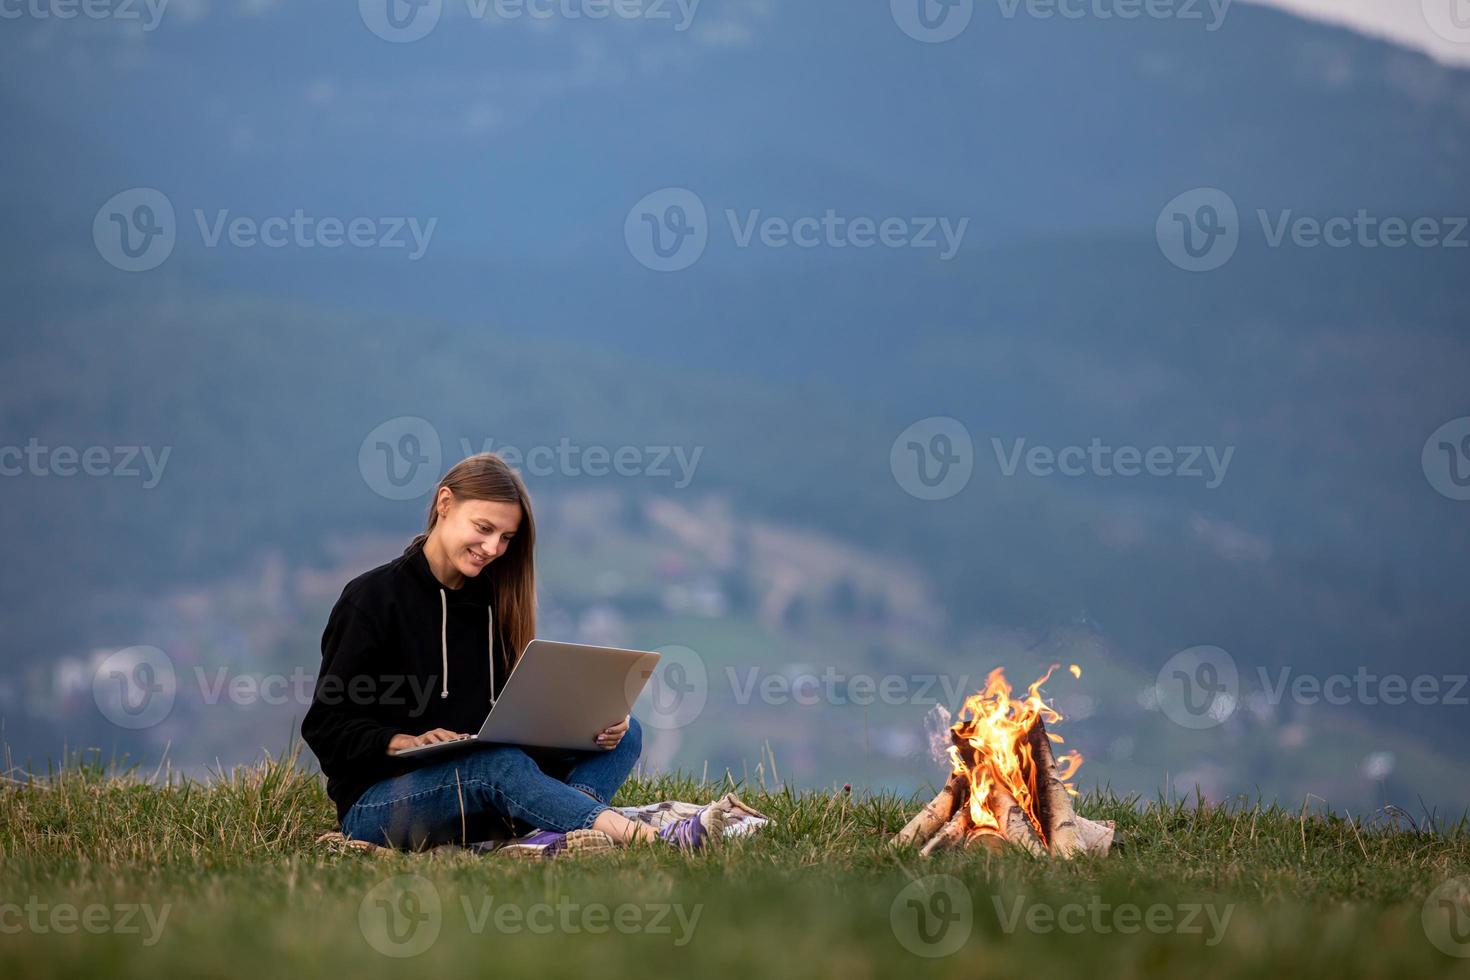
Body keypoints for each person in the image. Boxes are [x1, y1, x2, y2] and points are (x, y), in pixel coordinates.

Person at [301, 452, 721, 853]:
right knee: (498, 764)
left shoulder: (493, 601)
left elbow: (506, 714)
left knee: (625, 734)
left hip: (480, 789)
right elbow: (325, 726)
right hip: (381, 804)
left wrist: (581, 722)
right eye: (483, 528)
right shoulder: (372, 599)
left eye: (506, 538)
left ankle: (550, 828)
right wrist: (402, 741)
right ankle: (644, 838)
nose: (493, 548)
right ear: (444, 503)